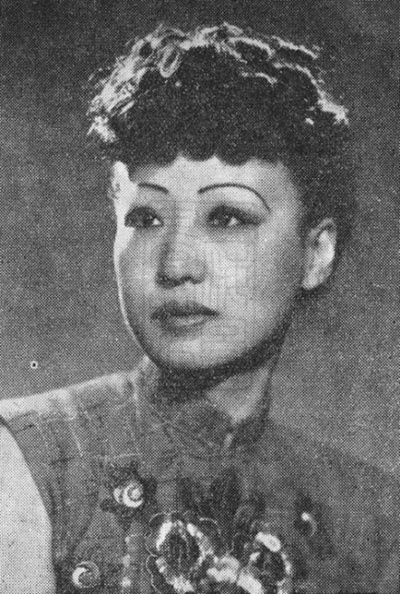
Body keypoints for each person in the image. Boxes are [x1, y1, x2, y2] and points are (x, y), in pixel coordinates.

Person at [0, 23, 398, 594]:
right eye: (146, 218)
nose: (175, 265)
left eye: (227, 217)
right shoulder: (29, 461)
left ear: (316, 253)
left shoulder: (372, 517)